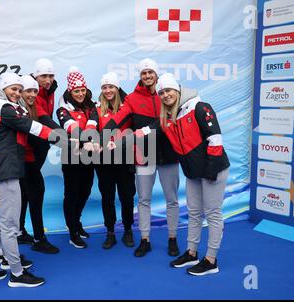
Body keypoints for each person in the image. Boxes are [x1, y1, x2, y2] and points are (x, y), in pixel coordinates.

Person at [115, 73, 230, 275]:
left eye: (168, 90)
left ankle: (211, 259)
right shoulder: (167, 117)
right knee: (194, 213)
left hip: (213, 169)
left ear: (177, 90)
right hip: (193, 172)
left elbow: (215, 138)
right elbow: (147, 131)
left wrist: (211, 168)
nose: (165, 95)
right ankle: (192, 252)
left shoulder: (200, 107)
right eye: (162, 92)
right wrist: (117, 141)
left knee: (212, 213)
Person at [0, 72, 66, 287]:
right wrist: (66, 139)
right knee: (9, 225)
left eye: (19, 89)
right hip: (4, 172)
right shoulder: (5, 109)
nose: (17, 93)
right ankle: (16, 273)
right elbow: (33, 127)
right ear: (4, 89)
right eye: (13, 89)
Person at [101, 59, 180, 258]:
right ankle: (145, 240)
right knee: (144, 199)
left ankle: (172, 239)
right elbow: (119, 118)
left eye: (150, 72)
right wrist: (103, 135)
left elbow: (166, 120)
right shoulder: (132, 99)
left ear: (156, 73)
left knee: (172, 199)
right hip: (144, 156)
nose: (147, 76)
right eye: (144, 73)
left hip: (169, 154)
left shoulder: (167, 93)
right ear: (140, 76)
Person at [89, 72, 136, 249]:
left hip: (124, 160)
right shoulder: (96, 108)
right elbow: (92, 130)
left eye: (111, 87)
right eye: (104, 87)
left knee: (127, 196)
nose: (108, 90)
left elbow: (133, 132)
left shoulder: (126, 107)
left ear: (117, 88)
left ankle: (128, 230)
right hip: (104, 162)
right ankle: (110, 232)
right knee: (107, 197)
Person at [16, 74, 60, 254]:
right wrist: (65, 139)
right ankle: (39, 239)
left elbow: (49, 123)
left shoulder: (35, 107)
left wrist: (67, 137)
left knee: (25, 195)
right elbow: (42, 130)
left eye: (35, 91)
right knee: (35, 193)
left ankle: (19, 232)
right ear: (20, 92)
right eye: (28, 91)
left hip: (29, 160)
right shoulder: (17, 111)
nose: (33, 94)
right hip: (24, 161)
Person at [56, 67, 97, 249]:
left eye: (82, 90)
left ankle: (77, 222)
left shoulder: (91, 104)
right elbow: (70, 127)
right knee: (71, 194)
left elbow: (94, 121)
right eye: (76, 91)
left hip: (89, 156)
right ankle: (72, 231)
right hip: (71, 156)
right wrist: (85, 139)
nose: (80, 94)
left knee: (85, 191)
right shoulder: (63, 108)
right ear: (70, 91)